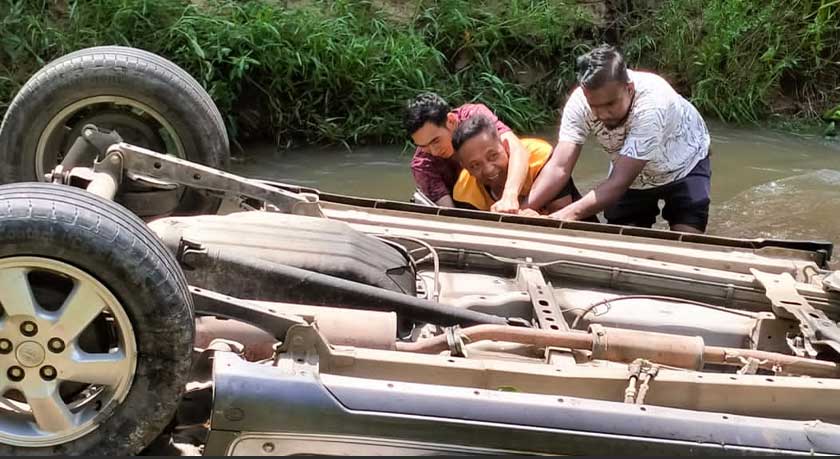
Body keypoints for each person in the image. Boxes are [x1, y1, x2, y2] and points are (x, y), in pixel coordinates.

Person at [527, 44, 712, 233]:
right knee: (623, 239)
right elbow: (559, 167)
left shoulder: (652, 106)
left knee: (686, 242)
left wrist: (562, 216)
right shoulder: (580, 103)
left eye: (610, 104)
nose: (602, 113)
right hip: (631, 173)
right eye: (594, 106)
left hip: (685, 164)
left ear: (629, 89)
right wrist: (523, 209)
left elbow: (619, 183)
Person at [404, 92, 530, 212]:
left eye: (436, 141)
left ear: (451, 121)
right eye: (423, 146)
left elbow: (516, 148)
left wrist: (509, 196)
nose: (434, 152)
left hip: (511, 192)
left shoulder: (474, 117)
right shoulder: (423, 165)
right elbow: (449, 211)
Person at [450, 115, 585, 214]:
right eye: (475, 165)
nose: (488, 169)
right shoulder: (464, 193)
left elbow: (563, 213)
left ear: (506, 147)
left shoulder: (540, 159)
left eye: (493, 156)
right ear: (465, 168)